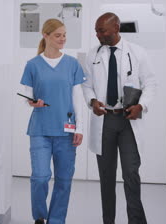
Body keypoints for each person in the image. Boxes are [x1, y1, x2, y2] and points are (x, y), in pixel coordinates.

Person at [82, 12, 157, 224]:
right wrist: (92, 101)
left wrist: (141, 105)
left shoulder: (137, 52)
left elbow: (150, 83)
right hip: (104, 120)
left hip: (128, 121)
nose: (97, 35)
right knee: (106, 177)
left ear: (116, 28)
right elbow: (86, 85)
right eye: (96, 30)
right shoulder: (92, 54)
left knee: (131, 174)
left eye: (101, 30)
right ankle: (109, 221)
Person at [20, 18, 86, 224]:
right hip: (40, 130)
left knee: (64, 181)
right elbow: (27, 97)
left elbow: (78, 99)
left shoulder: (72, 64)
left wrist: (80, 128)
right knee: (40, 177)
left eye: (64, 35)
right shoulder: (33, 65)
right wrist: (33, 103)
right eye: (58, 35)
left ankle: (56, 220)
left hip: (66, 132)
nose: (62, 39)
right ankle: (40, 216)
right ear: (45, 35)